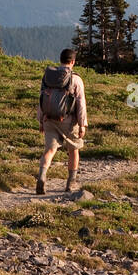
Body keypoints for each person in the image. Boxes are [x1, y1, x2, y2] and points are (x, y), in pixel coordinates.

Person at [36, 48, 87, 195]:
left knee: (50, 150)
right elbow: (81, 103)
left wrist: (41, 120)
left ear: (60, 60)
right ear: (73, 62)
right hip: (69, 121)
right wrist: (82, 124)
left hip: (49, 119)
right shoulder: (76, 79)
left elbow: (41, 99)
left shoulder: (48, 76)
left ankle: (42, 177)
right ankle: (71, 183)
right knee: (73, 150)